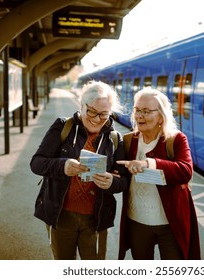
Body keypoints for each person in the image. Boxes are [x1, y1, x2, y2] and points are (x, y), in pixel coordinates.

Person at [30, 81, 128, 260]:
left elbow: (123, 181)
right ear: (82, 105)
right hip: (61, 216)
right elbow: (36, 163)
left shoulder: (115, 139)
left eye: (104, 114)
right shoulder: (63, 127)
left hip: (95, 220)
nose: (97, 119)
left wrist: (111, 182)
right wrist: (62, 166)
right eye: (91, 111)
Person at [117, 87, 201, 260]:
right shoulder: (127, 141)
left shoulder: (176, 139)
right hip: (137, 222)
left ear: (161, 117)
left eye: (146, 111)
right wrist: (110, 178)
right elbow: (119, 176)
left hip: (170, 224)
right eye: (137, 110)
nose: (139, 116)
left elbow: (185, 171)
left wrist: (149, 163)